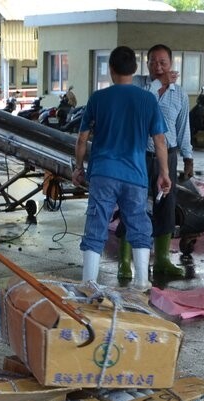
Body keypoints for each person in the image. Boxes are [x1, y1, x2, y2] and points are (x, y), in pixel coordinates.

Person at [73, 46, 170, 292]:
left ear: (111, 69)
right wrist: (164, 173)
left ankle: (89, 282)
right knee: (138, 223)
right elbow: (160, 141)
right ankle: (141, 281)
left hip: (103, 173)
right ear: (135, 69)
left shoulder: (98, 98)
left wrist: (78, 168)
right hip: (135, 175)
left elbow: (82, 139)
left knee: (96, 222)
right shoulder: (148, 99)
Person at [119, 43, 193, 286]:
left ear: (172, 64)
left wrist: (188, 156)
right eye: (153, 62)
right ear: (146, 63)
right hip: (139, 154)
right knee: (133, 204)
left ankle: (162, 258)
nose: (158, 66)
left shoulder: (180, 94)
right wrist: (157, 85)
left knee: (166, 206)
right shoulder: (139, 86)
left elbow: (183, 128)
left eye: (163, 62)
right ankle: (125, 261)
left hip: (168, 156)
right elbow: (140, 107)